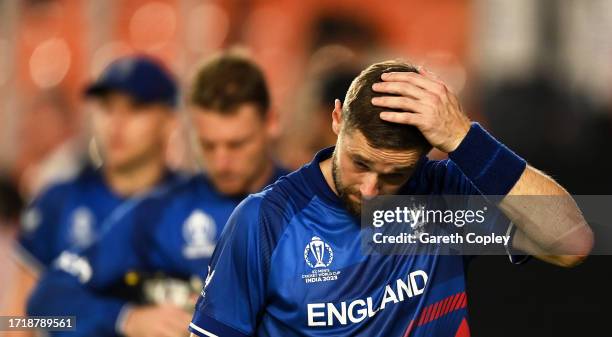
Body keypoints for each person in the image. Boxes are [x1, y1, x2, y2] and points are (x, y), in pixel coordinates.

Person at [188, 61, 593, 337]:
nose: (369, 191)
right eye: (360, 162)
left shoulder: (443, 203)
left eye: (394, 174)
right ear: (336, 120)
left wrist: (464, 139)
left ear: (422, 158)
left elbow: (571, 243)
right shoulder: (267, 221)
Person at [27, 52, 288, 337]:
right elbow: (46, 299)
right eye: (208, 146)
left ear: (271, 122)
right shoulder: (159, 213)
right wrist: (126, 319)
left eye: (237, 145)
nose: (222, 162)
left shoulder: (315, 205)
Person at [11, 55, 181, 331]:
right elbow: (18, 321)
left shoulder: (194, 203)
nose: (116, 123)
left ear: (169, 121)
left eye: (135, 108)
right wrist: (120, 321)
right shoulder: (57, 202)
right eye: (106, 107)